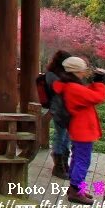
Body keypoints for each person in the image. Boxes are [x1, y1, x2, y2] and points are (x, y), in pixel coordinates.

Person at [53, 56, 105, 204]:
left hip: (78, 129)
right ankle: (76, 191)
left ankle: (76, 188)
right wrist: (99, 82)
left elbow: (86, 94)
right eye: (83, 70)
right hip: (82, 130)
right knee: (83, 160)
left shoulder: (69, 85)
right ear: (76, 71)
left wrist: (95, 83)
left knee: (78, 158)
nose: (85, 73)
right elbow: (97, 97)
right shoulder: (73, 88)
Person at [42, 50, 73, 180]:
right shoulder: (53, 76)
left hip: (66, 110)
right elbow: (58, 94)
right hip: (59, 111)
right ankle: (58, 166)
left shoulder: (56, 74)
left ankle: (64, 164)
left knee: (66, 138)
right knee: (60, 137)